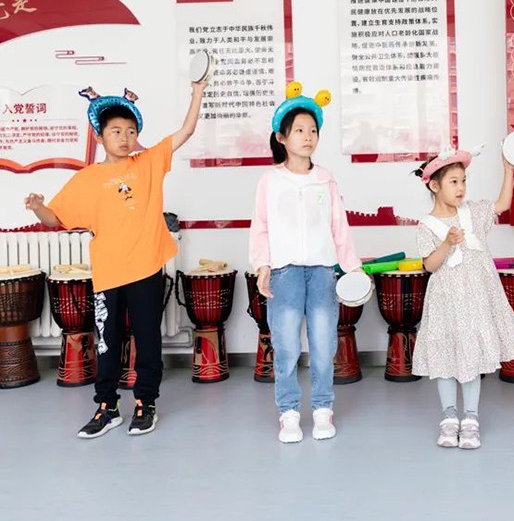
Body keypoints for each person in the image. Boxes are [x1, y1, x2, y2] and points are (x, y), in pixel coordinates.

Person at [24, 81, 207, 438]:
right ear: (100, 136)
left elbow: (186, 131)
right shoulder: (88, 178)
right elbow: (55, 218)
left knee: (148, 340)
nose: (125, 137)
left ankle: (146, 403)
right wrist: (37, 207)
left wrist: (197, 91)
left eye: (131, 131)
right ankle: (107, 407)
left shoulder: (148, 163)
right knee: (106, 343)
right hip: (108, 273)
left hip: (146, 269)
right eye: (116, 131)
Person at [249, 82, 362, 444]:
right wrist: (263, 266)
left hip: (322, 271)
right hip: (284, 272)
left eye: (312, 130)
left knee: (324, 344)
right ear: (281, 137)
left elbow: (339, 226)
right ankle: (289, 413)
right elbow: (260, 227)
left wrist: (353, 268)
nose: (307, 136)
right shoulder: (270, 181)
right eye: (299, 130)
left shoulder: (325, 179)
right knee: (285, 346)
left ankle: (323, 409)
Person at [414, 146, 514, 450]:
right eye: (453, 182)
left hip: (475, 299)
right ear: (434, 185)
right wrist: (447, 243)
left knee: (471, 356)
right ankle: (449, 416)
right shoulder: (426, 225)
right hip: (446, 303)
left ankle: (471, 418)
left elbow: (503, 203)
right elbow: (430, 265)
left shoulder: (473, 213)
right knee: (445, 358)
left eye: (463, 181)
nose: (461, 187)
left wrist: (509, 170)